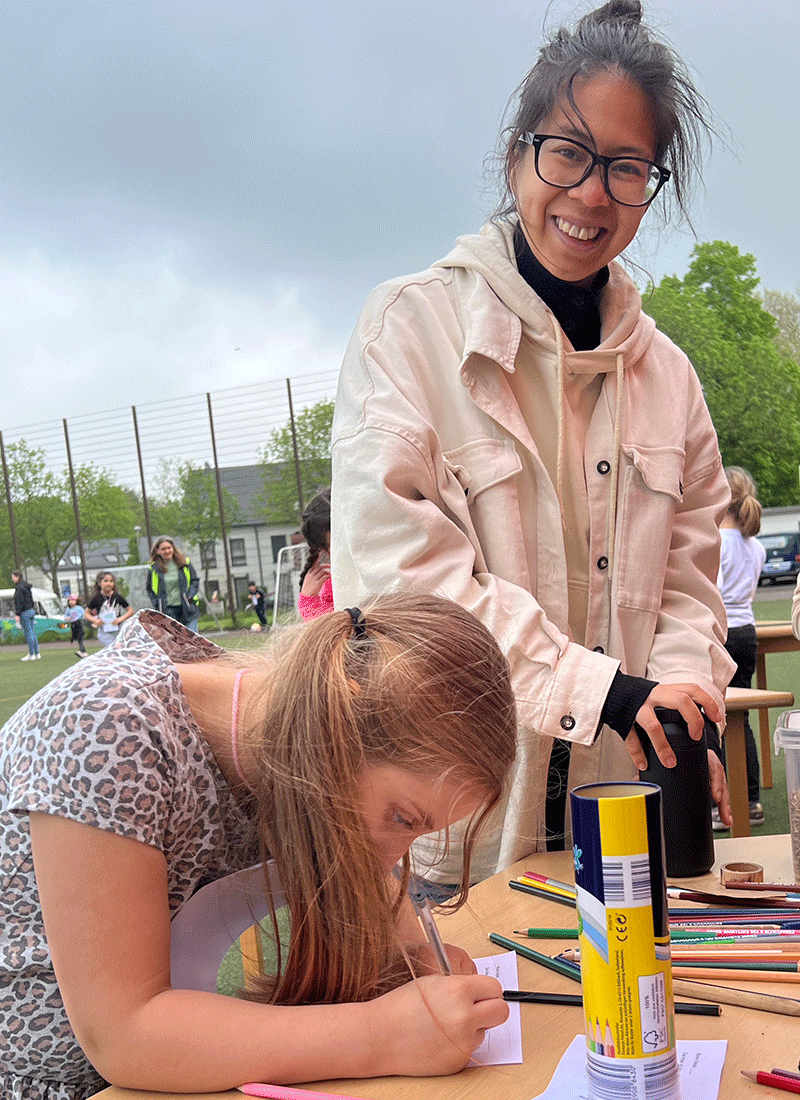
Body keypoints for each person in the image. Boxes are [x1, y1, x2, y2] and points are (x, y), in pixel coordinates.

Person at [331, 0, 735, 888]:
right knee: (473, 1029)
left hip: (625, 819)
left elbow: (689, 586)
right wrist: (609, 696)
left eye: (626, 168)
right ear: (519, 155)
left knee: (638, 1023)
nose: (591, 193)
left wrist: (669, 705)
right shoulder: (410, 331)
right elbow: (407, 590)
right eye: (569, 153)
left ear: (650, 186)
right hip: (452, 835)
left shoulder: (669, 380)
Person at [0, 595, 515, 1098]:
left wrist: (413, 966)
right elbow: (124, 1034)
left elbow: (395, 939)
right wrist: (381, 1035)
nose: (389, 860)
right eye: (402, 818)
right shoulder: (111, 728)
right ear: (335, 728)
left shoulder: (295, 743)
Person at [714, 467, 767, 829]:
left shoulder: (714, 542)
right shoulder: (756, 546)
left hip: (721, 632)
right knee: (741, 717)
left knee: (713, 717)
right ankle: (750, 801)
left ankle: (721, 805)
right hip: (746, 631)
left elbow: (708, 592)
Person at [146, 536, 201, 632]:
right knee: (175, 643)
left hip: (187, 608)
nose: (167, 551)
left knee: (191, 642)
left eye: (169, 548)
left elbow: (194, 581)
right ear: (158, 551)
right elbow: (150, 589)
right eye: (163, 549)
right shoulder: (154, 568)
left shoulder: (184, 563)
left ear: (173, 549)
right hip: (168, 611)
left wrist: (190, 596)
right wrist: (157, 604)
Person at [298, 488, 334, 620]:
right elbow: (330, 637)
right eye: (333, 545)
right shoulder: (331, 586)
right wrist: (309, 602)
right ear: (325, 550)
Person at [83, 570, 134, 646]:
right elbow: (86, 613)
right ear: (99, 583)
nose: (109, 583)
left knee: (119, 650)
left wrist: (120, 619)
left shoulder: (117, 597)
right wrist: (95, 620)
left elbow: (130, 610)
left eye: (111, 581)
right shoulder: (97, 598)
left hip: (118, 630)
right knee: (112, 648)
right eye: (106, 581)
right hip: (104, 631)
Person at [11, 569, 40, 661]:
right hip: (31, 610)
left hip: (25, 612)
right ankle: (37, 653)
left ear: (17, 577)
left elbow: (20, 602)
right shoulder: (26, 587)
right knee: (32, 632)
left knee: (28, 633)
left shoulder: (19, 588)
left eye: (13, 577)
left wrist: (17, 614)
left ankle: (31, 654)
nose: (12, 579)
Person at [64, 592, 88, 658]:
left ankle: (83, 651)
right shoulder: (68, 609)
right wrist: (67, 618)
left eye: (73, 600)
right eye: (70, 600)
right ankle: (82, 651)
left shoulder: (79, 608)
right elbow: (66, 616)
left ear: (76, 601)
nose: (71, 602)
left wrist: (80, 617)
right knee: (77, 637)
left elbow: (84, 615)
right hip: (73, 624)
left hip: (79, 623)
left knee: (80, 637)